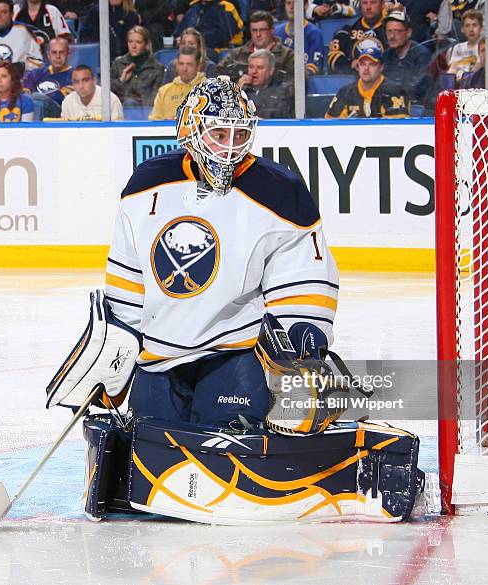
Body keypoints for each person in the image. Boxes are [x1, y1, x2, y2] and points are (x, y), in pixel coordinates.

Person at [96, 75, 337, 426]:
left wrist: (304, 332)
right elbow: (129, 283)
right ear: (191, 131)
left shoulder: (280, 192)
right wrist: (113, 354)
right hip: (158, 357)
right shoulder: (145, 186)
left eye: (240, 135)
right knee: (148, 459)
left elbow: (304, 279)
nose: (230, 147)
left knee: (230, 460)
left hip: (237, 356)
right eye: (219, 134)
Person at [326, 40, 410, 118]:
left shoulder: (394, 92)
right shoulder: (345, 92)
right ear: (358, 67)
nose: (366, 68)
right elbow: (330, 125)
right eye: (362, 64)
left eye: (372, 64)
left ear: (381, 67)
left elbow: (396, 129)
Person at [217, 10, 294, 84]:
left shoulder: (287, 56)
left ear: (272, 30)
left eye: (262, 30)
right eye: (254, 30)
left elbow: (296, 85)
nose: (258, 35)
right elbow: (216, 77)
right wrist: (237, 88)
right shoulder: (236, 55)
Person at [382, 10, 432, 105]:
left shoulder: (422, 55)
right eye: (389, 31)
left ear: (408, 32)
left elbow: (420, 90)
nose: (392, 36)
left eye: (397, 31)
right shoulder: (386, 55)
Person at [110, 25, 164, 107]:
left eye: (138, 42)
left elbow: (157, 98)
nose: (133, 46)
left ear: (146, 45)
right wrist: (121, 80)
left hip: (146, 113)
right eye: (130, 42)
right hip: (121, 112)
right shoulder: (118, 63)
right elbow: (106, 93)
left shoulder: (156, 68)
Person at [327, 0, 388, 73]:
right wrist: (350, 64)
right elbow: (332, 56)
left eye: (373, 2)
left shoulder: (392, 30)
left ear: (383, 4)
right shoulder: (347, 31)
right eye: (364, 3)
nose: (368, 7)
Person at [0, 0, 43, 72]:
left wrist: (19, 66)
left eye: (4, 12)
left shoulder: (23, 31)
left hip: (18, 80)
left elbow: (39, 62)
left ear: (12, 14)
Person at [149, 46, 206, 120]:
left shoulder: (208, 90)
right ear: (176, 65)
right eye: (181, 64)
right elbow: (154, 120)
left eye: (189, 64)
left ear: (198, 66)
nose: (184, 69)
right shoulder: (164, 91)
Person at [23, 36, 73, 116]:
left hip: (57, 115)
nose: (57, 56)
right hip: (33, 109)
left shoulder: (74, 76)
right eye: (54, 52)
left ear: (68, 54)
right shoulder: (36, 73)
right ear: (48, 55)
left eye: (61, 52)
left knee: (37, 99)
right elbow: (24, 95)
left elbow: (60, 99)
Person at [239, 49, 293, 118]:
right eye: (251, 67)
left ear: (271, 71)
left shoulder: (282, 91)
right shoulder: (243, 89)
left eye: (259, 67)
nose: (254, 71)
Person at [275, 0, 324, 75]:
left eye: (295, 3)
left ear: (305, 5)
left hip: (305, 83)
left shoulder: (314, 34)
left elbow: (315, 67)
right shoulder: (277, 32)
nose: (291, 7)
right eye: (288, 3)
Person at [173, 0, 243, 52]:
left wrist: (197, 40)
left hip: (218, 51)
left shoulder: (226, 7)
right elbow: (179, 32)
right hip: (191, 50)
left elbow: (222, 36)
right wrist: (180, 39)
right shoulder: (193, 8)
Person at [446, 9, 483, 81]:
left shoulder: (484, 47)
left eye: (474, 25)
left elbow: (477, 68)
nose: (471, 29)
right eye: (467, 26)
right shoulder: (457, 48)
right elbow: (453, 68)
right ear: (462, 29)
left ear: (481, 28)